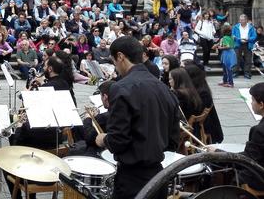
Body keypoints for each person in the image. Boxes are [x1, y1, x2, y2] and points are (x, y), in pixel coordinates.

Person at [95, 36, 180, 199]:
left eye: (114, 62)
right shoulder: (163, 88)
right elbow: (173, 141)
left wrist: (103, 139)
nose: (116, 68)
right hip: (158, 176)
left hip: (132, 179)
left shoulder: (120, 88)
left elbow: (118, 141)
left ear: (120, 56)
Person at [184, 64, 224, 144]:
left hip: (198, 126)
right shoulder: (201, 87)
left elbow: (193, 111)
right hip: (199, 123)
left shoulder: (202, 92)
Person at [238, 82, 264, 191]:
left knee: (228, 171)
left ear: (261, 104)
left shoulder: (259, 131)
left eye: (252, 100)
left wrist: (218, 153)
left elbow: (248, 160)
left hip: (260, 179)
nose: (251, 103)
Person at [233, 14, 257, 79]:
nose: (241, 21)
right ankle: (235, 72)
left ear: (246, 20)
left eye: (242, 20)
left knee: (248, 59)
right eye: (240, 20)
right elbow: (232, 35)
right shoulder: (235, 27)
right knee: (236, 58)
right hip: (238, 43)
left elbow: (254, 36)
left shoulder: (251, 27)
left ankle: (247, 73)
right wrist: (237, 38)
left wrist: (248, 39)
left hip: (248, 43)